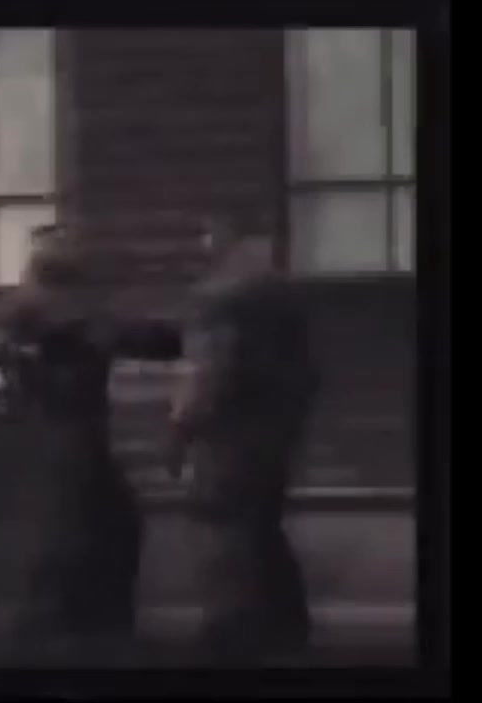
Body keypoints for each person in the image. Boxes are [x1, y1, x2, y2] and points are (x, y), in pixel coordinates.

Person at [0, 225, 183, 663]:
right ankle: (54, 629)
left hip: (81, 431)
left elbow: (157, 340)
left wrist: (100, 333)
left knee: (113, 526)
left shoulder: (87, 313)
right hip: (42, 430)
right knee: (68, 531)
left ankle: (95, 626)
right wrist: (23, 347)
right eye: (58, 246)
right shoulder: (14, 311)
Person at [168, 214, 319, 664]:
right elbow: (308, 374)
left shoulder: (220, 298)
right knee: (261, 525)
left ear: (220, 240)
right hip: (275, 434)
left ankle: (232, 631)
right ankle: (286, 627)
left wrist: (179, 430)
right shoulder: (285, 298)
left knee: (220, 525)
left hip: (228, 436)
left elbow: (208, 373)